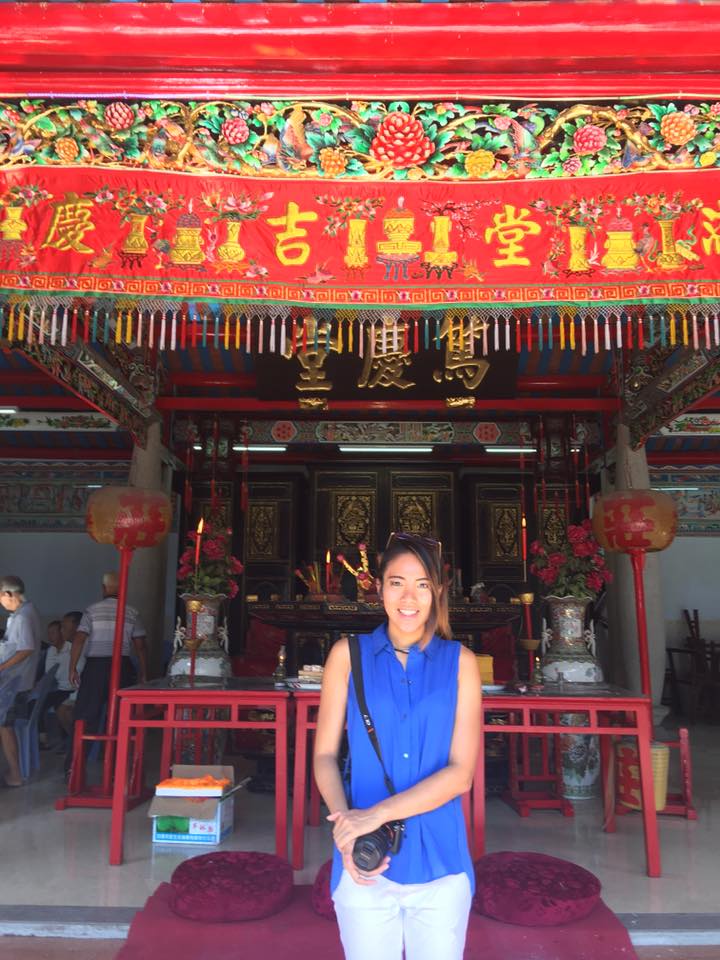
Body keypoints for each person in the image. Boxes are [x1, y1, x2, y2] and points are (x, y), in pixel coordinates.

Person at [314, 533, 481, 960]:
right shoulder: (347, 656)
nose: (409, 597)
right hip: (364, 858)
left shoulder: (460, 662)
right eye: (396, 582)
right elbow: (325, 756)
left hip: (441, 860)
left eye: (422, 584)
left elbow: (461, 774)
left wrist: (374, 815)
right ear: (379, 588)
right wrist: (346, 831)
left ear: (439, 592)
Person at [67, 573, 148, 771]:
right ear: (122, 589)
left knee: (85, 716)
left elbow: (78, 639)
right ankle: (116, 770)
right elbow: (140, 646)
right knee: (121, 718)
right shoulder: (131, 612)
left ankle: (73, 769)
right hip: (122, 666)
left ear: (104, 589)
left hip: (96, 667)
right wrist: (143, 672)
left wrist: (73, 667)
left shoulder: (92, 610)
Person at [0, 575, 43, 787]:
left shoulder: (23, 617)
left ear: (9, 594)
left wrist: (2, 667)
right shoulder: (25, 612)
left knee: (4, 726)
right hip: (17, 680)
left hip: (16, 683)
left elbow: (26, 648)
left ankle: (15, 774)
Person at [40, 611, 83, 746]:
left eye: (55, 632)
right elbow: (50, 674)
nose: (50, 636)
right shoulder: (52, 650)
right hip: (61, 688)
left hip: (74, 690)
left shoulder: (76, 647)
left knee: (62, 708)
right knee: (37, 703)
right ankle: (43, 740)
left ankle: (74, 743)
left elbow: (80, 674)